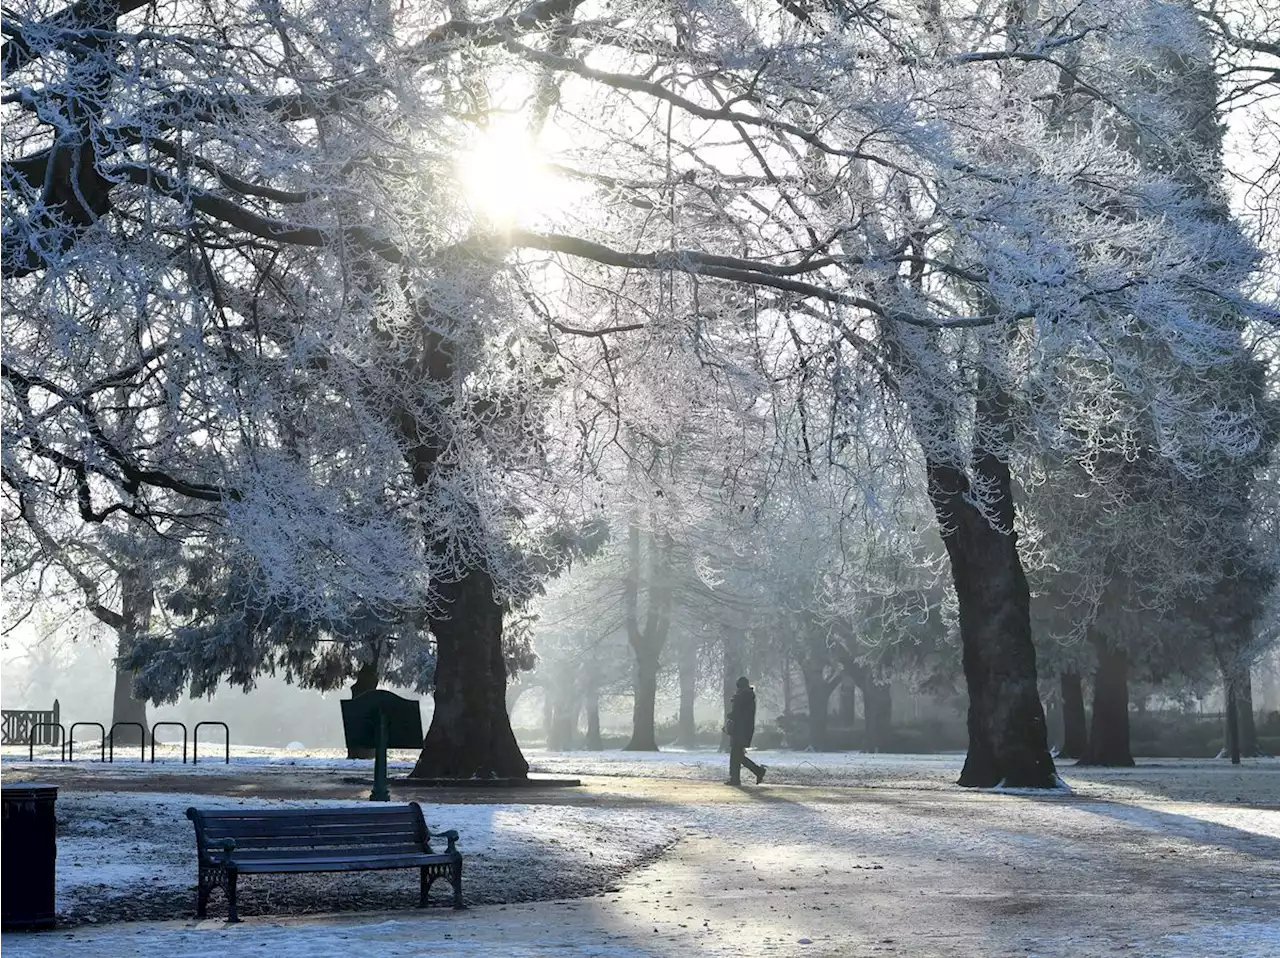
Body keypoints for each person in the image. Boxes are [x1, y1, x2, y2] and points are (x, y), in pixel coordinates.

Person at [724, 676, 767, 785]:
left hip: (739, 729)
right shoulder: (749, 696)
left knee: (735, 755)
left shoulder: (741, 697)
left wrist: (730, 715)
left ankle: (736, 778)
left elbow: (736, 713)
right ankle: (756, 771)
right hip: (745, 730)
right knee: (738, 755)